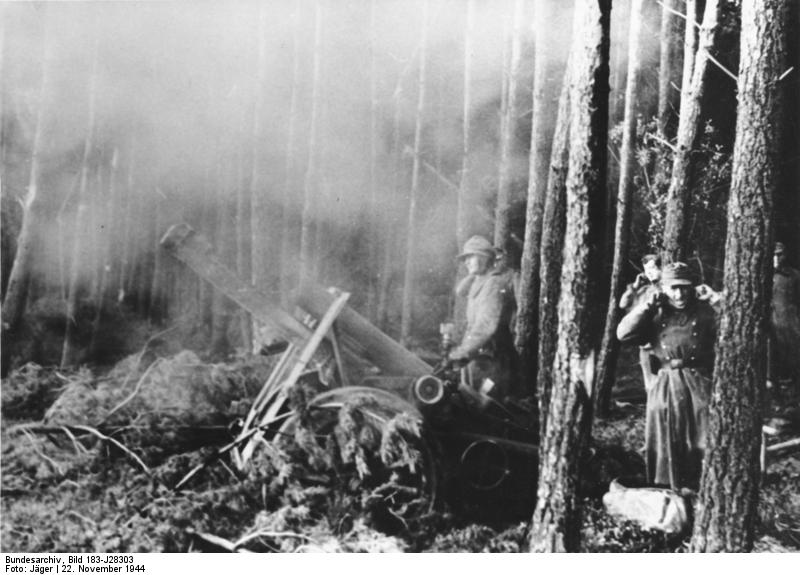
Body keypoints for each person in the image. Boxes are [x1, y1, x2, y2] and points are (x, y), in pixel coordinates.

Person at [616, 262, 718, 490]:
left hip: (698, 381)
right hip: (665, 382)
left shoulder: (703, 311)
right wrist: (646, 307)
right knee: (665, 435)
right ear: (664, 288)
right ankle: (666, 487)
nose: (679, 294)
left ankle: (702, 488)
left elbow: (734, 325)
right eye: (673, 288)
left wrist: (715, 300)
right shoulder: (655, 311)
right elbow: (623, 334)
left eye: (684, 287)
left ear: (692, 288)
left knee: (701, 432)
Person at [448, 235, 518, 399]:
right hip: (481, 358)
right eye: (465, 258)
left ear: (485, 258)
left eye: (471, 256)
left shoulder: (493, 284)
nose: (466, 262)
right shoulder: (480, 281)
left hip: (494, 362)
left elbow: (485, 326)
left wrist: (462, 351)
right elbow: (460, 291)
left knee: (485, 406)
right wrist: (475, 273)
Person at [619, 255, 663, 389]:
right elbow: (623, 304)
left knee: (663, 387)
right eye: (646, 270)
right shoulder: (644, 290)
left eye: (653, 268)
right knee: (650, 386)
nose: (649, 273)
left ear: (661, 268)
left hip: (662, 345)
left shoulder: (668, 289)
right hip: (645, 347)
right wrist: (635, 286)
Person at [769, 242, 800, 393]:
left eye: (779, 254)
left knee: (792, 357)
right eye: (773, 254)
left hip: (790, 323)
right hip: (770, 325)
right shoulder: (763, 275)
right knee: (771, 358)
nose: (776, 258)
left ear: (785, 255)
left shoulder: (794, 276)